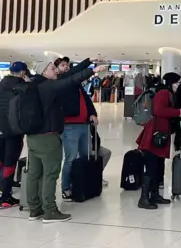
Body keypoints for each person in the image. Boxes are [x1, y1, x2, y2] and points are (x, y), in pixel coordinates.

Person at [27, 61, 106, 223]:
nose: (56, 71)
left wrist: (87, 64)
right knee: (50, 174)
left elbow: (69, 76)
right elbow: (70, 80)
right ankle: (50, 211)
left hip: (33, 137)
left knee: (34, 174)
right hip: (48, 137)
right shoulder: (47, 86)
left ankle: (35, 210)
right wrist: (92, 71)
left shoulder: (32, 86)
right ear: (44, 72)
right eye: (52, 68)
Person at [136, 72, 181, 209]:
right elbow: (158, 110)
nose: (178, 86)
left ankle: (155, 194)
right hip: (155, 134)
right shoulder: (163, 93)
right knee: (152, 166)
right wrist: (177, 112)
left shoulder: (166, 93)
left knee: (158, 165)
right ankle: (144, 198)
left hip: (160, 133)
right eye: (177, 83)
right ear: (171, 83)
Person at [56, 57, 99, 202]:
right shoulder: (61, 81)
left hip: (84, 125)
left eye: (67, 65)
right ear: (57, 69)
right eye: (63, 65)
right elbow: (74, 72)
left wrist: (93, 113)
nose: (66, 67)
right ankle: (65, 188)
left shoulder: (76, 85)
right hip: (70, 126)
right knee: (70, 158)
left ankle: (82, 182)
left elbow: (86, 100)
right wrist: (88, 62)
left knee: (86, 155)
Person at [0, 62, 30, 208]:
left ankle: (2, 191)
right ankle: (5, 197)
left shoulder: (1, 84)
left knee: (1, 161)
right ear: (23, 72)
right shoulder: (22, 87)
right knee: (10, 162)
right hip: (14, 130)